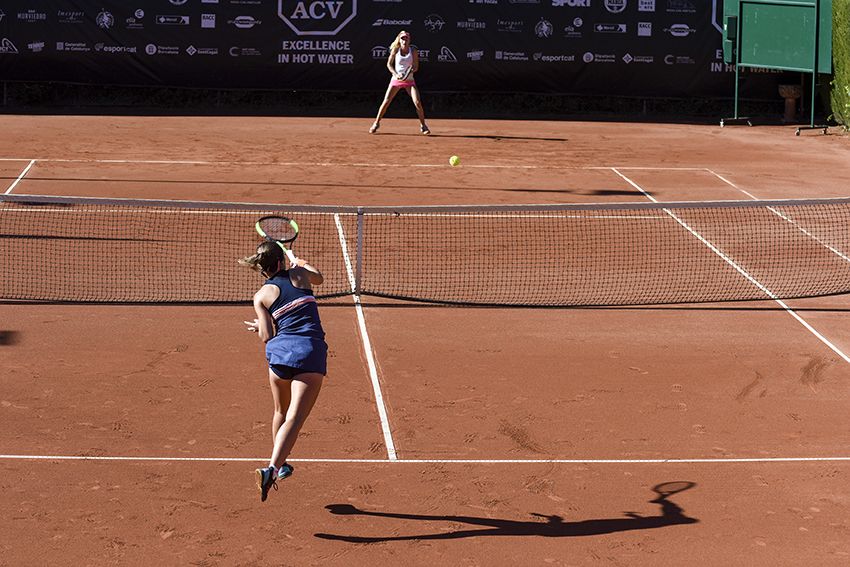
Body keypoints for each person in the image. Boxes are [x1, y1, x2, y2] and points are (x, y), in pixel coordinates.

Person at [240, 241, 327, 502]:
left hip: (279, 356)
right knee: (295, 419)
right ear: (281, 262)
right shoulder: (299, 275)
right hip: (309, 354)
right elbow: (319, 278)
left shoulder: (260, 296)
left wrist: (261, 325)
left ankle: (281, 462)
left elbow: (267, 336)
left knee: (280, 411)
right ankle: (272, 469)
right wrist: (298, 261)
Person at [370, 30, 430, 135]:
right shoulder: (395, 50)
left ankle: (423, 125)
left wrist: (411, 71)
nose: (404, 40)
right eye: (402, 38)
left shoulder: (414, 51)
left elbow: (416, 66)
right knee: (386, 101)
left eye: (406, 38)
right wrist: (396, 74)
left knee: (417, 102)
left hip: (410, 81)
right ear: (399, 39)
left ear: (409, 40)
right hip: (396, 79)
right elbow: (389, 64)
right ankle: (376, 123)